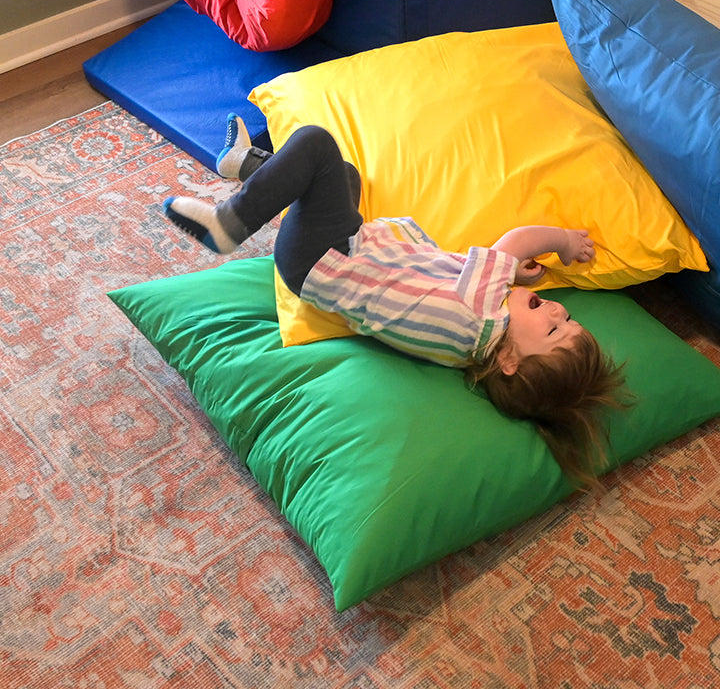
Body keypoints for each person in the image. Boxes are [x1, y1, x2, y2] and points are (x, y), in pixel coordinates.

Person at [161, 116, 628, 487]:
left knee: (317, 145)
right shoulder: (468, 340)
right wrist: (514, 274)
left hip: (324, 255)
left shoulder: (480, 315)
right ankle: (245, 163)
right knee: (344, 176)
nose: (554, 309)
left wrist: (563, 241)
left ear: (508, 361)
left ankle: (230, 222)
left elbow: (519, 239)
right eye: (565, 316)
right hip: (332, 256)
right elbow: (457, 276)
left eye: (552, 329)